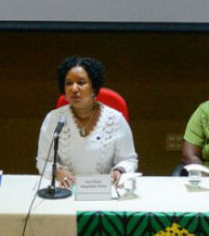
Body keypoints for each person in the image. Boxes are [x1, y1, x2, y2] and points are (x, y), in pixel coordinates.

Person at [36, 56, 137, 187]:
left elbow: (129, 160)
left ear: (94, 87)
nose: (74, 88)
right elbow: (43, 161)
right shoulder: (53, 119)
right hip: (66, 191)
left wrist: (119, 170)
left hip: (104, 191)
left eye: (81, 82)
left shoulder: (115, 119)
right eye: (68, 83)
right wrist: (58, 171)